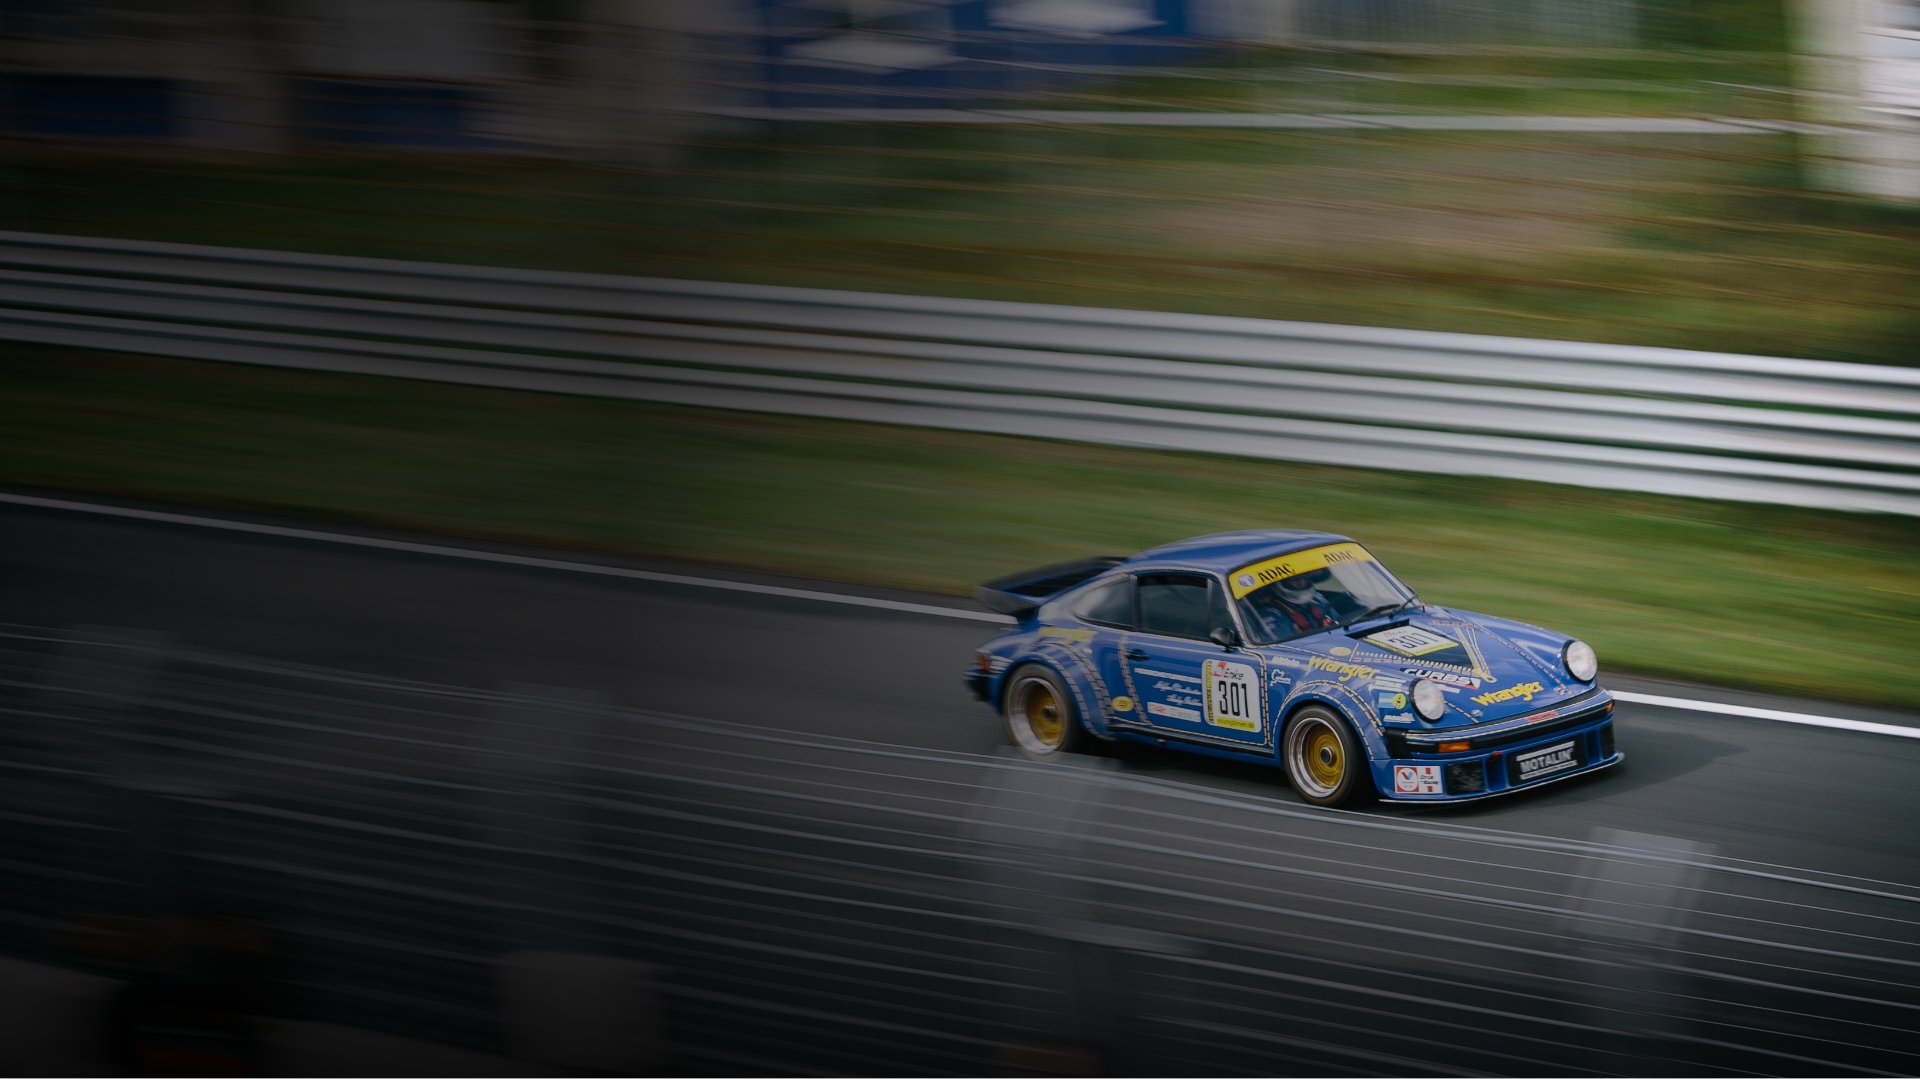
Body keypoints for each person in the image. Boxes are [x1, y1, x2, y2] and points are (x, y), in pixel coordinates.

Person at [1245, 573, 1339, 639]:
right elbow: (1286, 649)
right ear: (1280, 583)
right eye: (1294, 580)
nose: (1301, 583)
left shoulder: (1318, 599)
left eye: (1304, 578)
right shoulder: (1271, 615)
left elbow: (1340, 622)